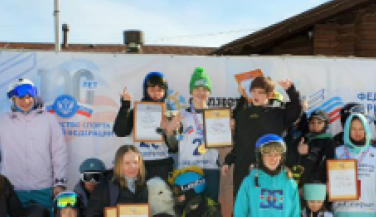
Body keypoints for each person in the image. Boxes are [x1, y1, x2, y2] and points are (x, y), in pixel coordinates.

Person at [0, 78, 68, 208]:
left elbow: (59, 152)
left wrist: (59, 183)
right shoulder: (4, 121)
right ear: (13, 99)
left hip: (43, 189)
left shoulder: (49, 120)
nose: (26, 101)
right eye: (20, 98)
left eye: (29, 97)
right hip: (14, 189)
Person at [223, 76, 304, 197]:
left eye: (260, 92)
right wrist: (228, 161)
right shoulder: (243, 115)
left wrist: (291, 91)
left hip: (268, 171)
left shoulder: (277, 114)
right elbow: (240, 143)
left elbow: (296, 111)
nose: (256, 95)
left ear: (269, 94)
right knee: (241, 209)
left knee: (265, 209)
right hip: (243, 170)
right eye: (253, 91)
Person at [167, 68, 221, 200]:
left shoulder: (218, 116)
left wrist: (229, 129)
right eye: (197, 88)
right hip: (188, 169)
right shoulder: (181, 115)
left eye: (204, 89)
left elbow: (223, 143)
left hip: (210, 169)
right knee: (188, 210)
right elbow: (172, 144)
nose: (201, 92)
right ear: (191, 91)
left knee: (210, 209)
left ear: (209, 92)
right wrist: (170, 129)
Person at [112, 72, 177, 182]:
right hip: (139, 165)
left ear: (165, 92)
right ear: (145, 91)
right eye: (152, 90)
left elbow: (174, 148)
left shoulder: (170, 114)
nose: (156, 93)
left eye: (160, 90)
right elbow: (120, 132)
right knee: (140, 199)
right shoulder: (135, 112)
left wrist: (169, 132)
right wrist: (125, 106)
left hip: (162, 164)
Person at [286, 110, 335, 186]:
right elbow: (289, 159)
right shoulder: (302, 139)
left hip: (315, 186)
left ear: (326, 124)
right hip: (295, 184)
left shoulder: (328, 142)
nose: (315, 125)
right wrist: (297, 151)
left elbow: (326, 166)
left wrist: (309, 151)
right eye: (312, 122)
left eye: (319, 122)